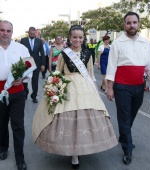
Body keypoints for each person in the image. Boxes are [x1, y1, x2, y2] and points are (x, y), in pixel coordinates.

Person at [32, 25, 118, 169]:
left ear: (83, 38)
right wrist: (53, 88)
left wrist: (96, 90)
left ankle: (83, 147)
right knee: (69, 120)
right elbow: (58, 73)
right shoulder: (63, 54)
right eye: (74, 37)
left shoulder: (88, 54)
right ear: (70, 38)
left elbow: (90, 74)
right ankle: (74, 154)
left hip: (85, 89)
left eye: (80, 37)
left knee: (86, 119)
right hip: (69, 89)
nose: (77, 40)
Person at [106, 12, 150, 165]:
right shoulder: (117, 43)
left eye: (134, 22)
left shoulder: (144, 43)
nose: (132, 25)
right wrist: (110, 87)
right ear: (124, 25)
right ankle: (127, 150)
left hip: (139, 87)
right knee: (124, 117)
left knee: (132, 115)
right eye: (129, 23)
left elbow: (149, 65)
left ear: (138, 24)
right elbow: (112, 66)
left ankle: (123, 136)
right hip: (122, 87)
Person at [0, 20, 30, 170]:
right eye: (2, 30)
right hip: (0, 92)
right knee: (1, 124)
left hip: (17, 92)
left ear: (12, 32)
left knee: (18, 126)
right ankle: (3, 148)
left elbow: (29, 66)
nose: (5, 33)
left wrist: (22, 78)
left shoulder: (21, 48)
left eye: (8, 31)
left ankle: (20, 159)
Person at [20, 27, 45, 103]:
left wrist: (43, 64)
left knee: (35, 81)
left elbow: (42, 53)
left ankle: (34, 96)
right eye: (31, 34)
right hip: (26, 64)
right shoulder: (23, 40)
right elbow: (20, 52)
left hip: (36, 64)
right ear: (28, 33)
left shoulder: (39, 41)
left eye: (34, 34)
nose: (32, 35)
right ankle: (25, 93)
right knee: (25, 80)